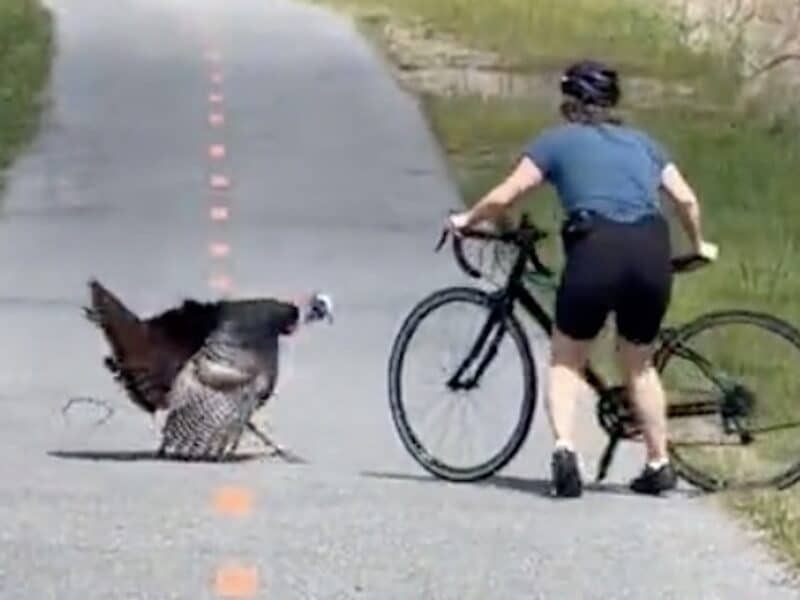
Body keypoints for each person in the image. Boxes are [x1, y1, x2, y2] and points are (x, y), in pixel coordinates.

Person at [446, 60, 718, 498]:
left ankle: (566, 453)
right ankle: (658, 462)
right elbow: (686, 200)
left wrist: (466, 219)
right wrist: (699, 243)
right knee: (640, 364)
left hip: (596, 248)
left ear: (570, 104)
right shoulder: (644, 143)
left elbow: (506, 195)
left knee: (566, 359)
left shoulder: (556, 142)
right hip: (651, 247)